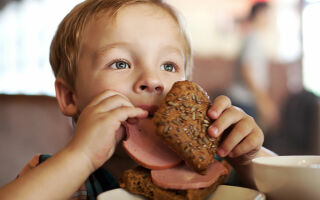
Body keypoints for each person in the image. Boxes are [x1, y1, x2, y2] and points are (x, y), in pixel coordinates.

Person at [0, 0, 276, 199]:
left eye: (168, 66)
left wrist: (249, 159)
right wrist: (81, 157)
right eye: (120, 63)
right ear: (71, 96)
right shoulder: (55, 175)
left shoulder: (216, 167)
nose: (153, 80)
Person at [228, 1, 279, 132]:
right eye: (268, 15)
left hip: (246, 101)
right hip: (244, 101)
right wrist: (264, 102)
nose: (270, 19)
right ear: (259, 15)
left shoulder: (252, 37)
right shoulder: (253, 39)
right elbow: (247, 72)